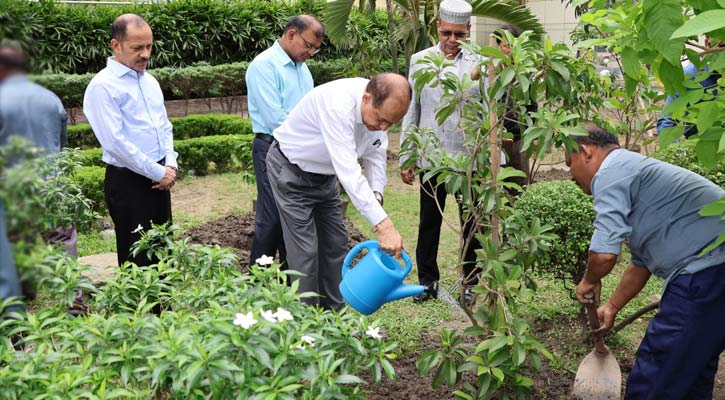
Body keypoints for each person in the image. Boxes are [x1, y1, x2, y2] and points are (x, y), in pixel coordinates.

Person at [569, 124, 725, 399]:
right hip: (714, 273)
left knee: (656, 378)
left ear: (585, 152)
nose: (571, 174)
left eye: (569, 162)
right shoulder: (632, 170)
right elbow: (640, 263)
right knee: (691, 372)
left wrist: (589, 280)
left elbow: (605, 254)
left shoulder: (610, 172)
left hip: (705, 275)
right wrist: (613, 306)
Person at [266, 73, 410, 311]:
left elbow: (375, 157)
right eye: (382, 119)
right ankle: (307, 326)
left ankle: (335, 317)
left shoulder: (378, 111)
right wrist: (385, 226)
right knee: (305, 253)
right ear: (367, 98)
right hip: (292, 172)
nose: (383, 127)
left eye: (391, 123)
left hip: (326, 177)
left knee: (335, 244)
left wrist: (376, 197)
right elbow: (350, 172)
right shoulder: (337, 105)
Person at [399, 0, 483, 305]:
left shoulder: (480, 62)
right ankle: (427, 283)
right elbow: (413, 109)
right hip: (432, 159)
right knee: (429, 223)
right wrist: (408, 155)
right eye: (447, 32)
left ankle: (471, 282)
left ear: (468, 31)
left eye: (459, 34)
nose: (451, 39)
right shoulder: (421, 61)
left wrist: (488, 157)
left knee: (471, 224)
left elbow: (488, 111)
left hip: (468, 160)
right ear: (437, 27)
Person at [83, 14, 178, 267]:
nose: (145, 54)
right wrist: (158, 171)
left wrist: (170, 164)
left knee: (163, 250)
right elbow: (115, 142)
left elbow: (164, 126)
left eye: (149, 46)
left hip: (160, 177)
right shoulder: (102, 86)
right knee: (137, 257)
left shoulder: (150, 81)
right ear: (116, 45)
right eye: (137, 48)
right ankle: (142, 308)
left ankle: (164, 307)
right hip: (129, 182)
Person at [245, 15, 324, 268]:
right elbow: (275, 119)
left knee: (296, 216)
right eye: (308, 45)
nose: (311, 52)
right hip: (272, 148)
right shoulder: (264, 66)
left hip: (301, 150)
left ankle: (294, 284)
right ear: (291, 34)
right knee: (272, 217)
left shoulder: (303, 69)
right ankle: (258, 283)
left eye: (315, 49)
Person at [0, 43, 76, 257]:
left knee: (16, 250)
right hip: (53, 185)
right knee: (62, 242)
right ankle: (69, 291)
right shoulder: (50, 98)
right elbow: (60, 142)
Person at [495, 25, 538, 191]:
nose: (510, 51)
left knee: (519, 188)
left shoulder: (524, 73)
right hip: (494, 141)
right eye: (506, 46)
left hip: (518, 140)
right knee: (494, 189)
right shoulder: (489, 73)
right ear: (497, 47)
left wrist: (532, 135)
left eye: (514, 46)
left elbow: (532, 105)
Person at [656, 37, 723, 139]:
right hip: (700, 144)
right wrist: (680, 151)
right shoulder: (688, 76)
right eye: (720, 47)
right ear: (706, 44)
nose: (722, 55)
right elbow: (666, 122)